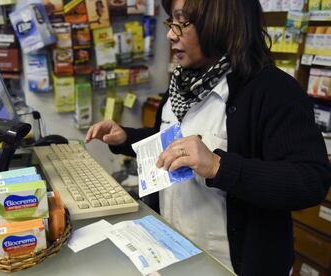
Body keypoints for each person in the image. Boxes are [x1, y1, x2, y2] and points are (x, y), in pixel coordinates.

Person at [85, 0, 331, 275]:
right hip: (171, 251)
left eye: (182, 22)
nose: (170, 34)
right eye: (171, 22)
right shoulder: (182, 84)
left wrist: (218, 166)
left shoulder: (274, 90)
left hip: (231, 266)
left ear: (222, 22)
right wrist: (126, 138)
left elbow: (311, 180)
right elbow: (171, 142)